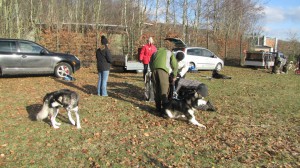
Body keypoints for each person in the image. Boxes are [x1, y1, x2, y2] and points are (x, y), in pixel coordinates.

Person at [150, 47, 178, 116]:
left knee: (156, 90)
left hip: (154, 71)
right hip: (163, 71)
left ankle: (158, 109)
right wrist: (174, 75)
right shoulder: (169, 52)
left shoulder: (154, 53)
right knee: (164, 90)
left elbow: (150, 63)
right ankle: (165, 110)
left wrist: (153, 71)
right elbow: (175, 65)